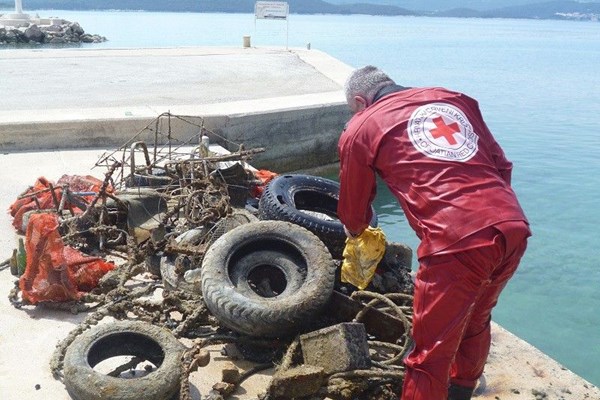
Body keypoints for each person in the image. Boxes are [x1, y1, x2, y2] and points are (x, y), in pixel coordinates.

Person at [337, 65, 531, 400]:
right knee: (477, 319)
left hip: (455, 242)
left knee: (429, 354)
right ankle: (460, 392)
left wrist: (358, 235)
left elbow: (354, 211)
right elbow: (502, 166)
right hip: (512, 226)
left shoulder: (361, 126)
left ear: (358, 101)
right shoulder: (452, 100)